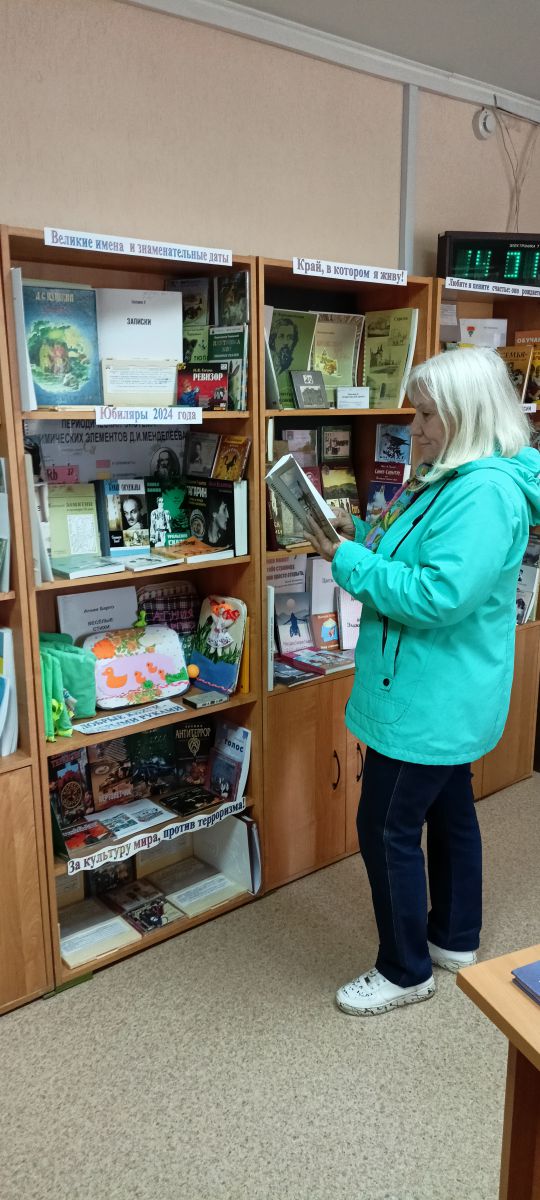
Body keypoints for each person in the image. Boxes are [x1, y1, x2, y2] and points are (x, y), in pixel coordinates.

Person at [304, 347, 540, 1017]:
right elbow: (418, 555)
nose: (416, 426)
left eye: (428, 414)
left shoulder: (483, 493)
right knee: (449, 807)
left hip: (428, 695)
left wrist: (347, 562)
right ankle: (453, 937)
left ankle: (404, 970)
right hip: (437, 687)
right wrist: (359, 537)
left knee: (384, 825)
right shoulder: (451, 476)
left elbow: (437, 596)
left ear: (466, 415)